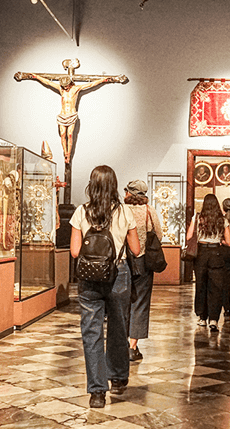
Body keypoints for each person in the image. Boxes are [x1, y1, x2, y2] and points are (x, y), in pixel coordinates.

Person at [70, 165, 140, 408]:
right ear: (114, 185)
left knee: (91, 333)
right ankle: (118, 377)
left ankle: (97, 392)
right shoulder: (124, 212)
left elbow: (75, 251)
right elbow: (136, 249)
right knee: (119, 327)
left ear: (92, 185)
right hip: (118, 274)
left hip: (89, 277)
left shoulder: (81, 212)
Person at [124, 179, 163, 362]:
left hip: (123, 260)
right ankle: (132, 347)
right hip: (143, 261)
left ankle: (121, 341)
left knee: (122, 301)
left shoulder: (122, 210)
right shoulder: (149, 210)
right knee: (140, 302)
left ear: (130, 193)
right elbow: (159, 234)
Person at [188, 194, 230, 332]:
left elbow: (189, 236)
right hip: (216, 254)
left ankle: (202, 317)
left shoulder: (197, 217)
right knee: (216, 287)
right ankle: (214, 319)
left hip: (201, 254)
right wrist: (219, 240)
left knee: (201, 285)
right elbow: (229, 242)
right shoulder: (222, 220)